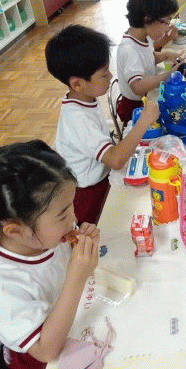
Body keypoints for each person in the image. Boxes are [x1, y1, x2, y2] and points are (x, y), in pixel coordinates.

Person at [0, 140, 101, 369]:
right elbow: (46, 351)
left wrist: (83, 247)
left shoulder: (43, 237)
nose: (74, 219)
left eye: (71, 206)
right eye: (62, 215)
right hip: (43, 361)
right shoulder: (0, 284)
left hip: (75, 319)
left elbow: (59, 270)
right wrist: (76, 277)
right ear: (15, 230)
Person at [46, 25, 161, 225]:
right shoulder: (77, 118)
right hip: (88, 194)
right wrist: (144, 121)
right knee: (104, 232)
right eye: (104, 73)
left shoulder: (85, 98)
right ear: (77, 84)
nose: (110, 76)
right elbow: (115, 160)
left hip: (100, 178)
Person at [116, 0, 183, 124]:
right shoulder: (129, 49)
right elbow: (137, 87)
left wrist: (166, 54)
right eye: (166, 22)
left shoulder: (144, 37)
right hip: (136, 108)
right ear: (148, 18)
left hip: (147, 98)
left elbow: (148, 57)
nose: (167, 28)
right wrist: (166, 75)